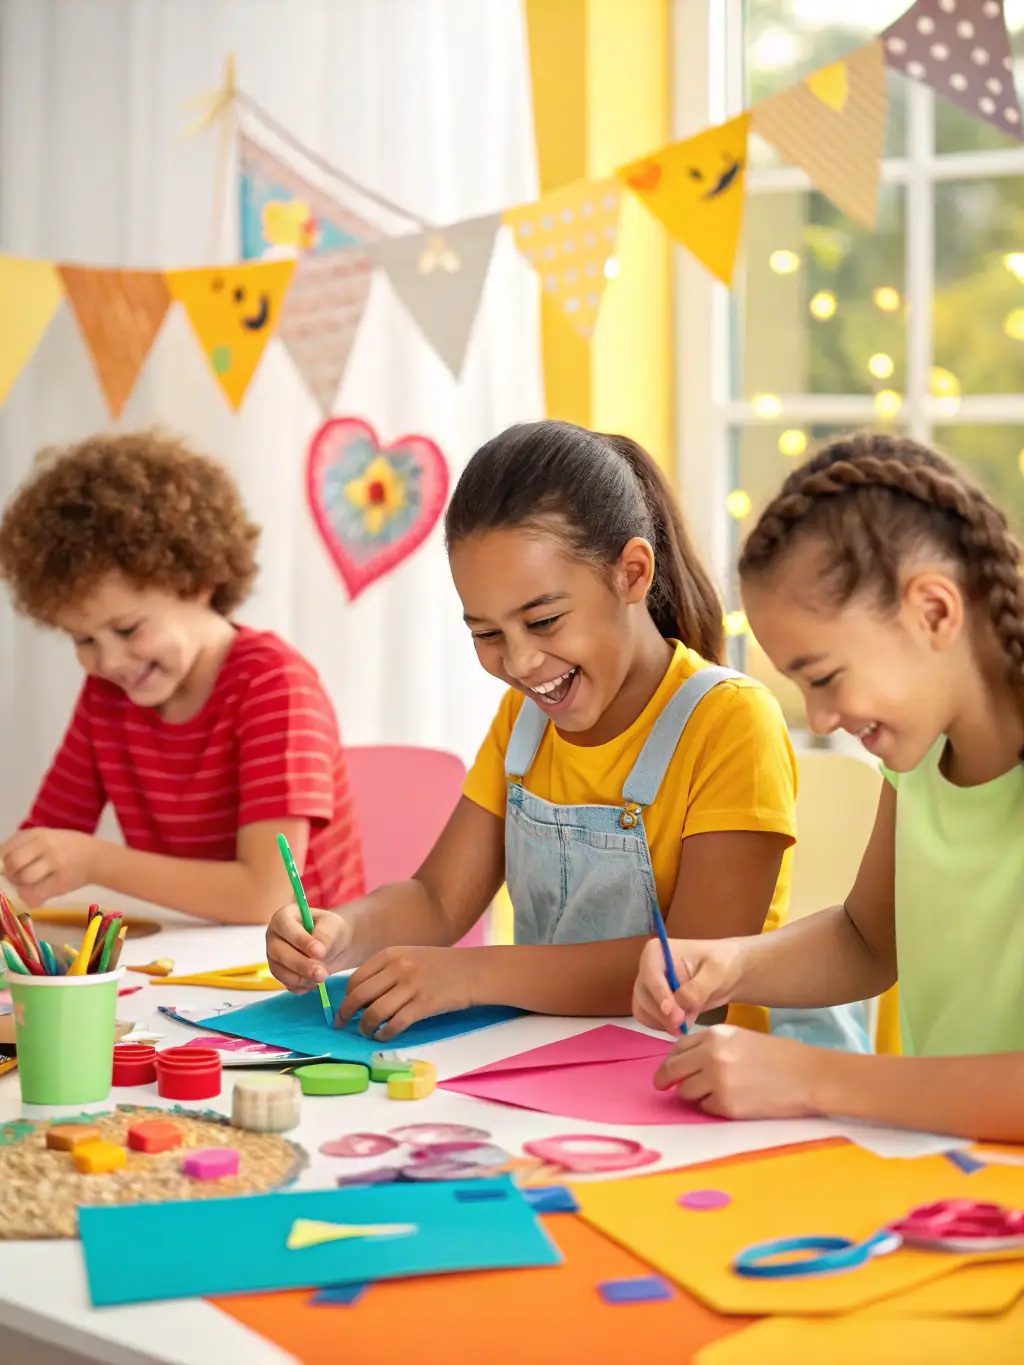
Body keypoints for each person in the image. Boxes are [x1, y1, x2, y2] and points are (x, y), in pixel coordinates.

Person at [267, 418, 826, 1041]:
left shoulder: (731, 722)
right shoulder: (525, 722)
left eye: (544, 621)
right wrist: (343, 930)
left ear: (632, 573)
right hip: (538, 1064)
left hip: (692, 1073)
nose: (521, 662)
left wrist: (472, 975)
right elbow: (437, 899)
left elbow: (692, 973)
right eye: (487, 633)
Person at [633, 431, 1024, 1141]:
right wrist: (730, 964)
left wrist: (810, 1077)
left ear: (934, 612)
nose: (819, 719)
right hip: (948, 1170)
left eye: (825, 676)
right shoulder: (920, 756)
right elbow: (867, 940)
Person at [0, 431, 364, 924]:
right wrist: (32, 863)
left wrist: (95, 861)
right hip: (190, 951)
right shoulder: (107, 696)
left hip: (303, 960)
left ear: (197, 582)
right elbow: (47, 841)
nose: (109, 662)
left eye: (127, 629)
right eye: (83, 639)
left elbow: (267, 896)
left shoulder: (274, 685)